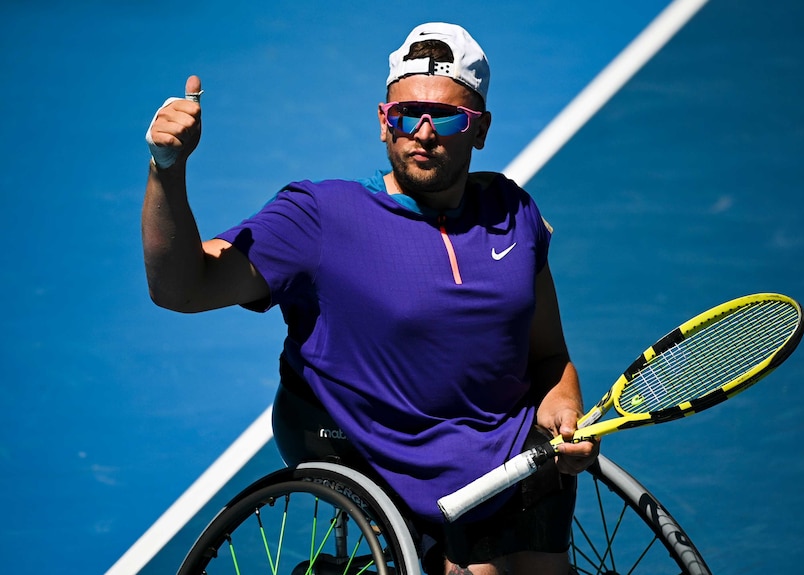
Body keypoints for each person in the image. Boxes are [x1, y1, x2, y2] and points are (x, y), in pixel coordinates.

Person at [143, 22, 599, 575]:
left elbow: (549, 355)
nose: (423, 133)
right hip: (369, 440)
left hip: (498, 448)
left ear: (480, 131)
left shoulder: (514, 214)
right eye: (405, 114)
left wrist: (564, 407)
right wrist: (167, 171)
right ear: (384, 123)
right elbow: (181, 287)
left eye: (448, 117)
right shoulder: (319, 217)